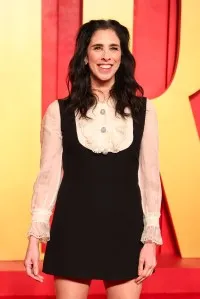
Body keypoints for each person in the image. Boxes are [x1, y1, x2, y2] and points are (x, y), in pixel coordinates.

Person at [24, 19, 163, 299]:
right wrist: (33, 239)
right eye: (97, 48)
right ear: (85, 57)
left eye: (114, 48)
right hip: (72, 228)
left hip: (126, 229)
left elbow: (149, 177)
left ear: (122, 56)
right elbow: (47, 177)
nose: (106, 56)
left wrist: (150, 240)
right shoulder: (59, 111)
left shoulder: (143, 111)